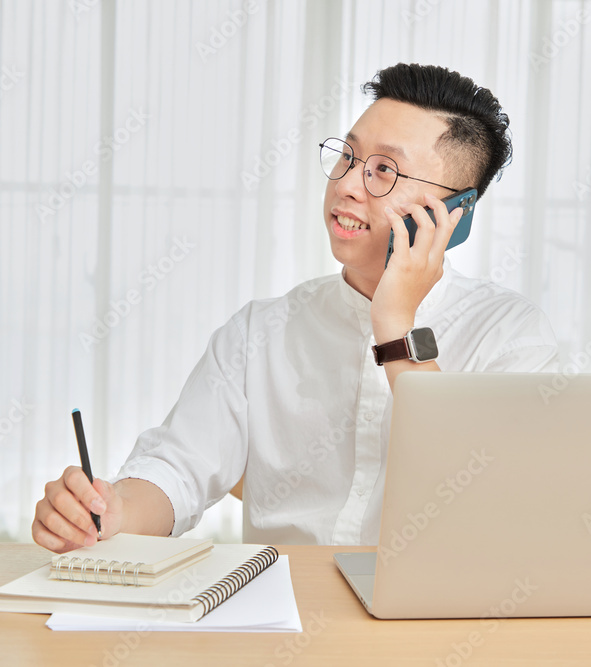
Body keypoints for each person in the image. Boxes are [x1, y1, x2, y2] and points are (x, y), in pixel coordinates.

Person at [32, 63, 559, 553]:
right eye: (348, 157)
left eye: (384, 171)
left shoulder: (511, 336)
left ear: (454, 213)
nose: (348, 185)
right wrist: (112, 511)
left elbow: (500, 502)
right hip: (281, 620)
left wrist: (395, 324)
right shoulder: (261, 331)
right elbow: (179, 467)